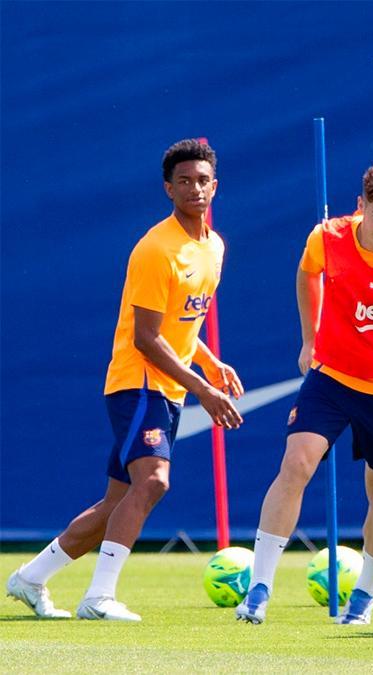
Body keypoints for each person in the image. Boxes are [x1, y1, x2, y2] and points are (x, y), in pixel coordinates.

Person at [6, 140, 244, 622]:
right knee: (153, 482)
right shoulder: (156, 249)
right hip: (138, 383)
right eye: (184, 181)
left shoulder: (213, 247)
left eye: (202, 180)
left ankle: (29, 579)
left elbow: (182, 324)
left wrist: (210, 362)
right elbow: (146, 339)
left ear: (214, 186)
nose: (194, 189)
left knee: (118, 501)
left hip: (168, 387)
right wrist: (203, 388)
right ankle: (99, 597)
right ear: (168, 189)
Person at [235, 164, 373, 626]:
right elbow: (306, 273)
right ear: (360, 207)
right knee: (296, 464)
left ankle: (365, 597)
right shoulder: (327, 237)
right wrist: (309, 339)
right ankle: (258, 590)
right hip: (332, 375)